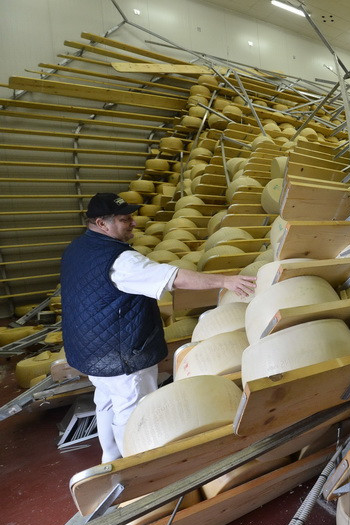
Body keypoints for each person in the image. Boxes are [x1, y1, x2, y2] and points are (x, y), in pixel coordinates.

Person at [60, 192, 256, 462]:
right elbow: (174, 278)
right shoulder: (121, 261)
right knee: (135, 414)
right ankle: (133, 473)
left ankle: (110, 461)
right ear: (102, 224)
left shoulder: (78, 248)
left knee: (106, 403)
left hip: (88, 349)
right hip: (121, 355)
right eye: (124, 219)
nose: (134, 223)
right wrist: (225, 281)